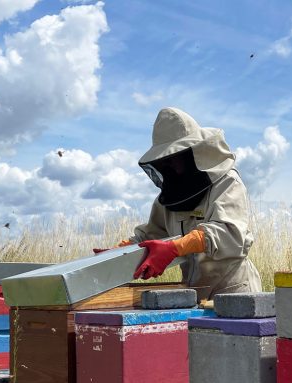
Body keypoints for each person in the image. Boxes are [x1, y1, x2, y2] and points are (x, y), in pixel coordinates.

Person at [103, 107, 262, 301]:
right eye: (163, 161)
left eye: (171, 159)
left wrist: (174, 248)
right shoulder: (172, 194)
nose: (166, 167)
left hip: (234, 290)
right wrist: (120, 251)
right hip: (194, 293)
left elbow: (229, 233)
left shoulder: (227, 182)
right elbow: (152, 234)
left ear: (190, 154)